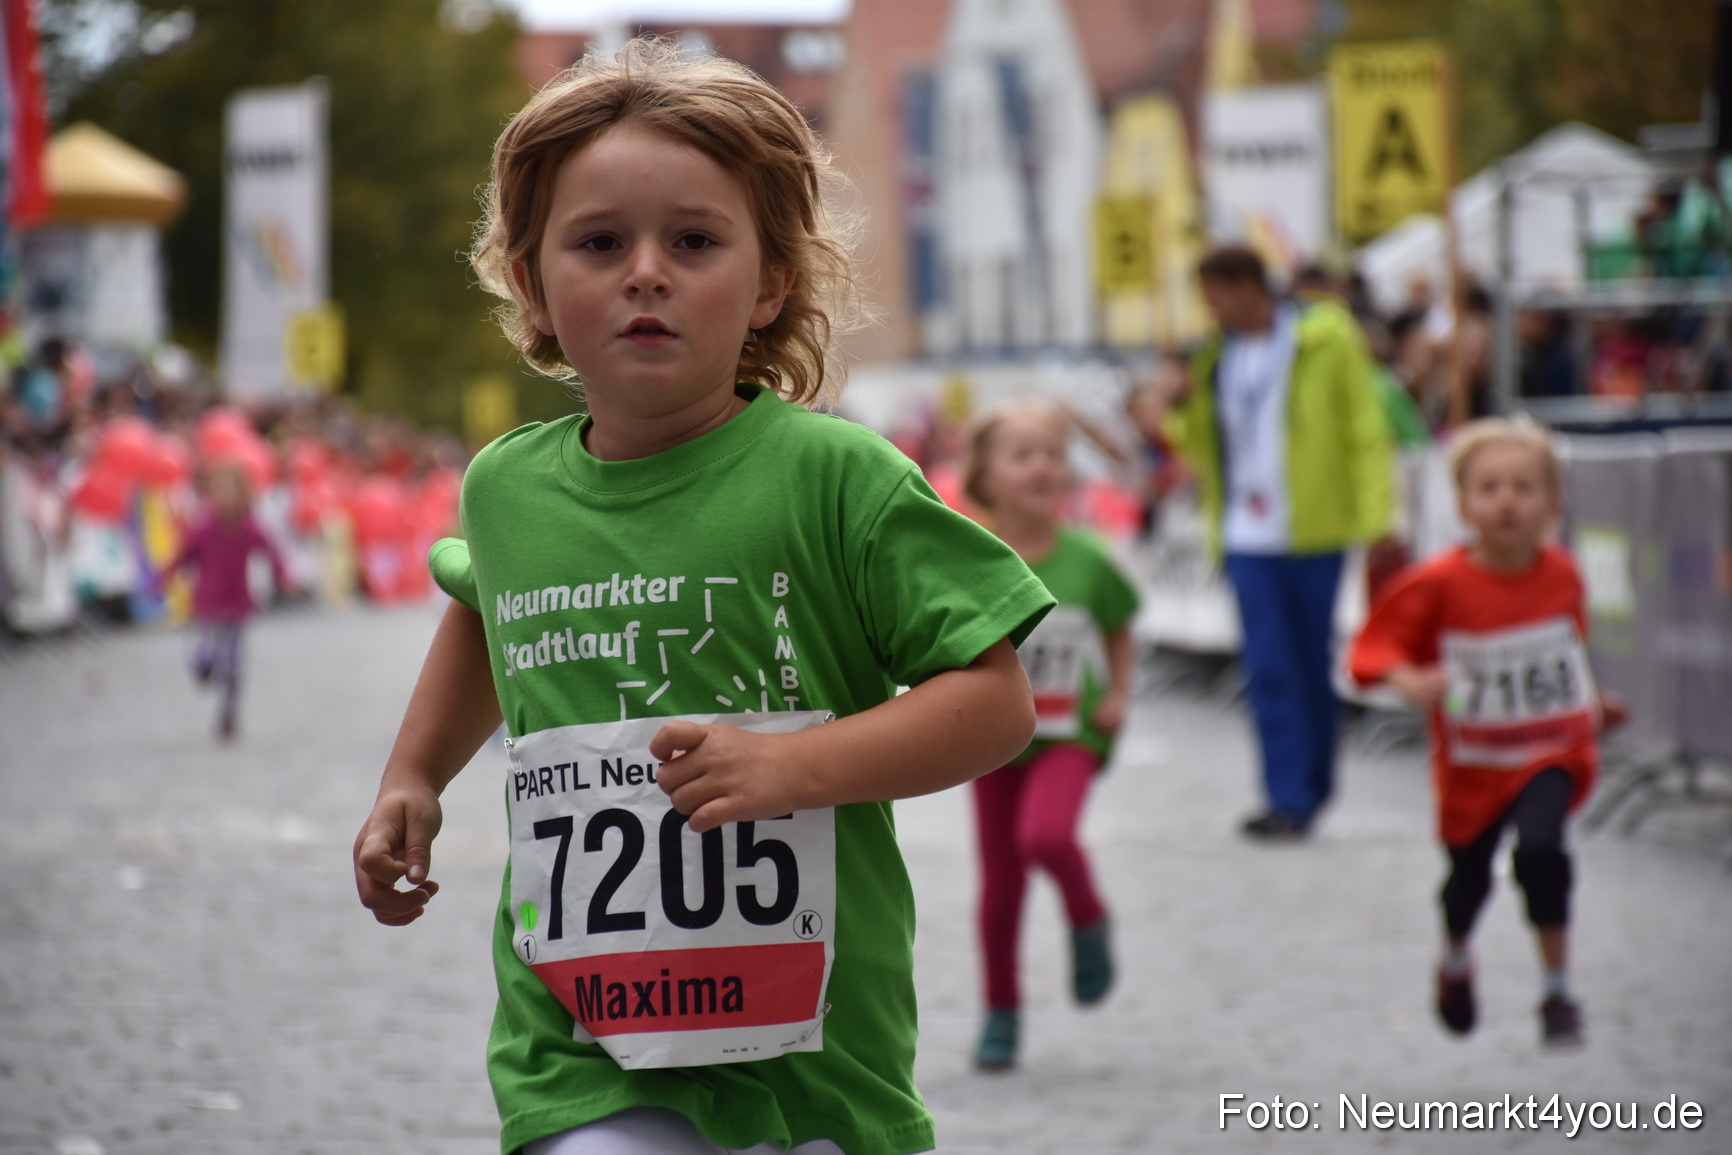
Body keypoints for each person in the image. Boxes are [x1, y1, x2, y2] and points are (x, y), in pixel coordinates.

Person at [350, 40, 1054, 1155]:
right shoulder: (505, 489)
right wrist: (412, 775)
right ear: (531, 281)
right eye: (597, 242)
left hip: (816, 1048)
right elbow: (491, 615)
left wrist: (786, 769)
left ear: (771, 279)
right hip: (581, 1045)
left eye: (692, 240)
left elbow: (997, 702)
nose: (645, 271)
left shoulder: (839, 478)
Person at [1348, 419, 1622, 1047]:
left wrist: (1594, 700)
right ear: (1463, 505)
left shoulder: (1564, 576)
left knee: (1542, 851)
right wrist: (1406, 678)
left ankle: (1558, 992)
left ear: (1553, 506)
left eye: (1524, 488)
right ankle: (1454, 957)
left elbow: (1565, 655)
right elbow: (1375, 647)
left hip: (1552, 750)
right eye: (1490, 488)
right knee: (1467, 881)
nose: (1507, 501)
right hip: (1474, 765)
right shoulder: (1439, 583)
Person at [1160, 245, 1393, 839]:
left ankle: (1314, 785)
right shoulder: (1215, 356)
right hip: (1244, 532)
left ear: (1249, 289)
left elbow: (1363, 426)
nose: (1210, 309)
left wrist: (1377, 517)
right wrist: (1180, 401)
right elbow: (1199, 447)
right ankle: (1284, 797)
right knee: (1267, 666)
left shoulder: (1326, 338)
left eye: (1216, 295)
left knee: (1312, 661)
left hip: (1314, 526)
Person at [960, 401, 1138, 1072]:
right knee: (1000, 886)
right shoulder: (970, 554)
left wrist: (1118, 692)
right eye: (1023, 454)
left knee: (1047, 836)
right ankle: (1000, 1012)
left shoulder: (1089, 558)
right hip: (990, 739)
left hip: (1070, 731)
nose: (1043, 466)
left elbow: (1119, 625)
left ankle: (1087, 915)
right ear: (987, 475)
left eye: (1054, 455)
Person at [157, 461, 291, 739]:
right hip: (208, 602)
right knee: (205, 653)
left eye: (233, 491)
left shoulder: (249, 528)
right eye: (221, 491)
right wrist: (164, 578)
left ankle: (229, 709)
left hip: (236, 602)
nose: (227, 498)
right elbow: (182, 555)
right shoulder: (203, 529)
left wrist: (283, 575)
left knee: (233, 661)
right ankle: (205, 668)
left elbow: (270, 552)